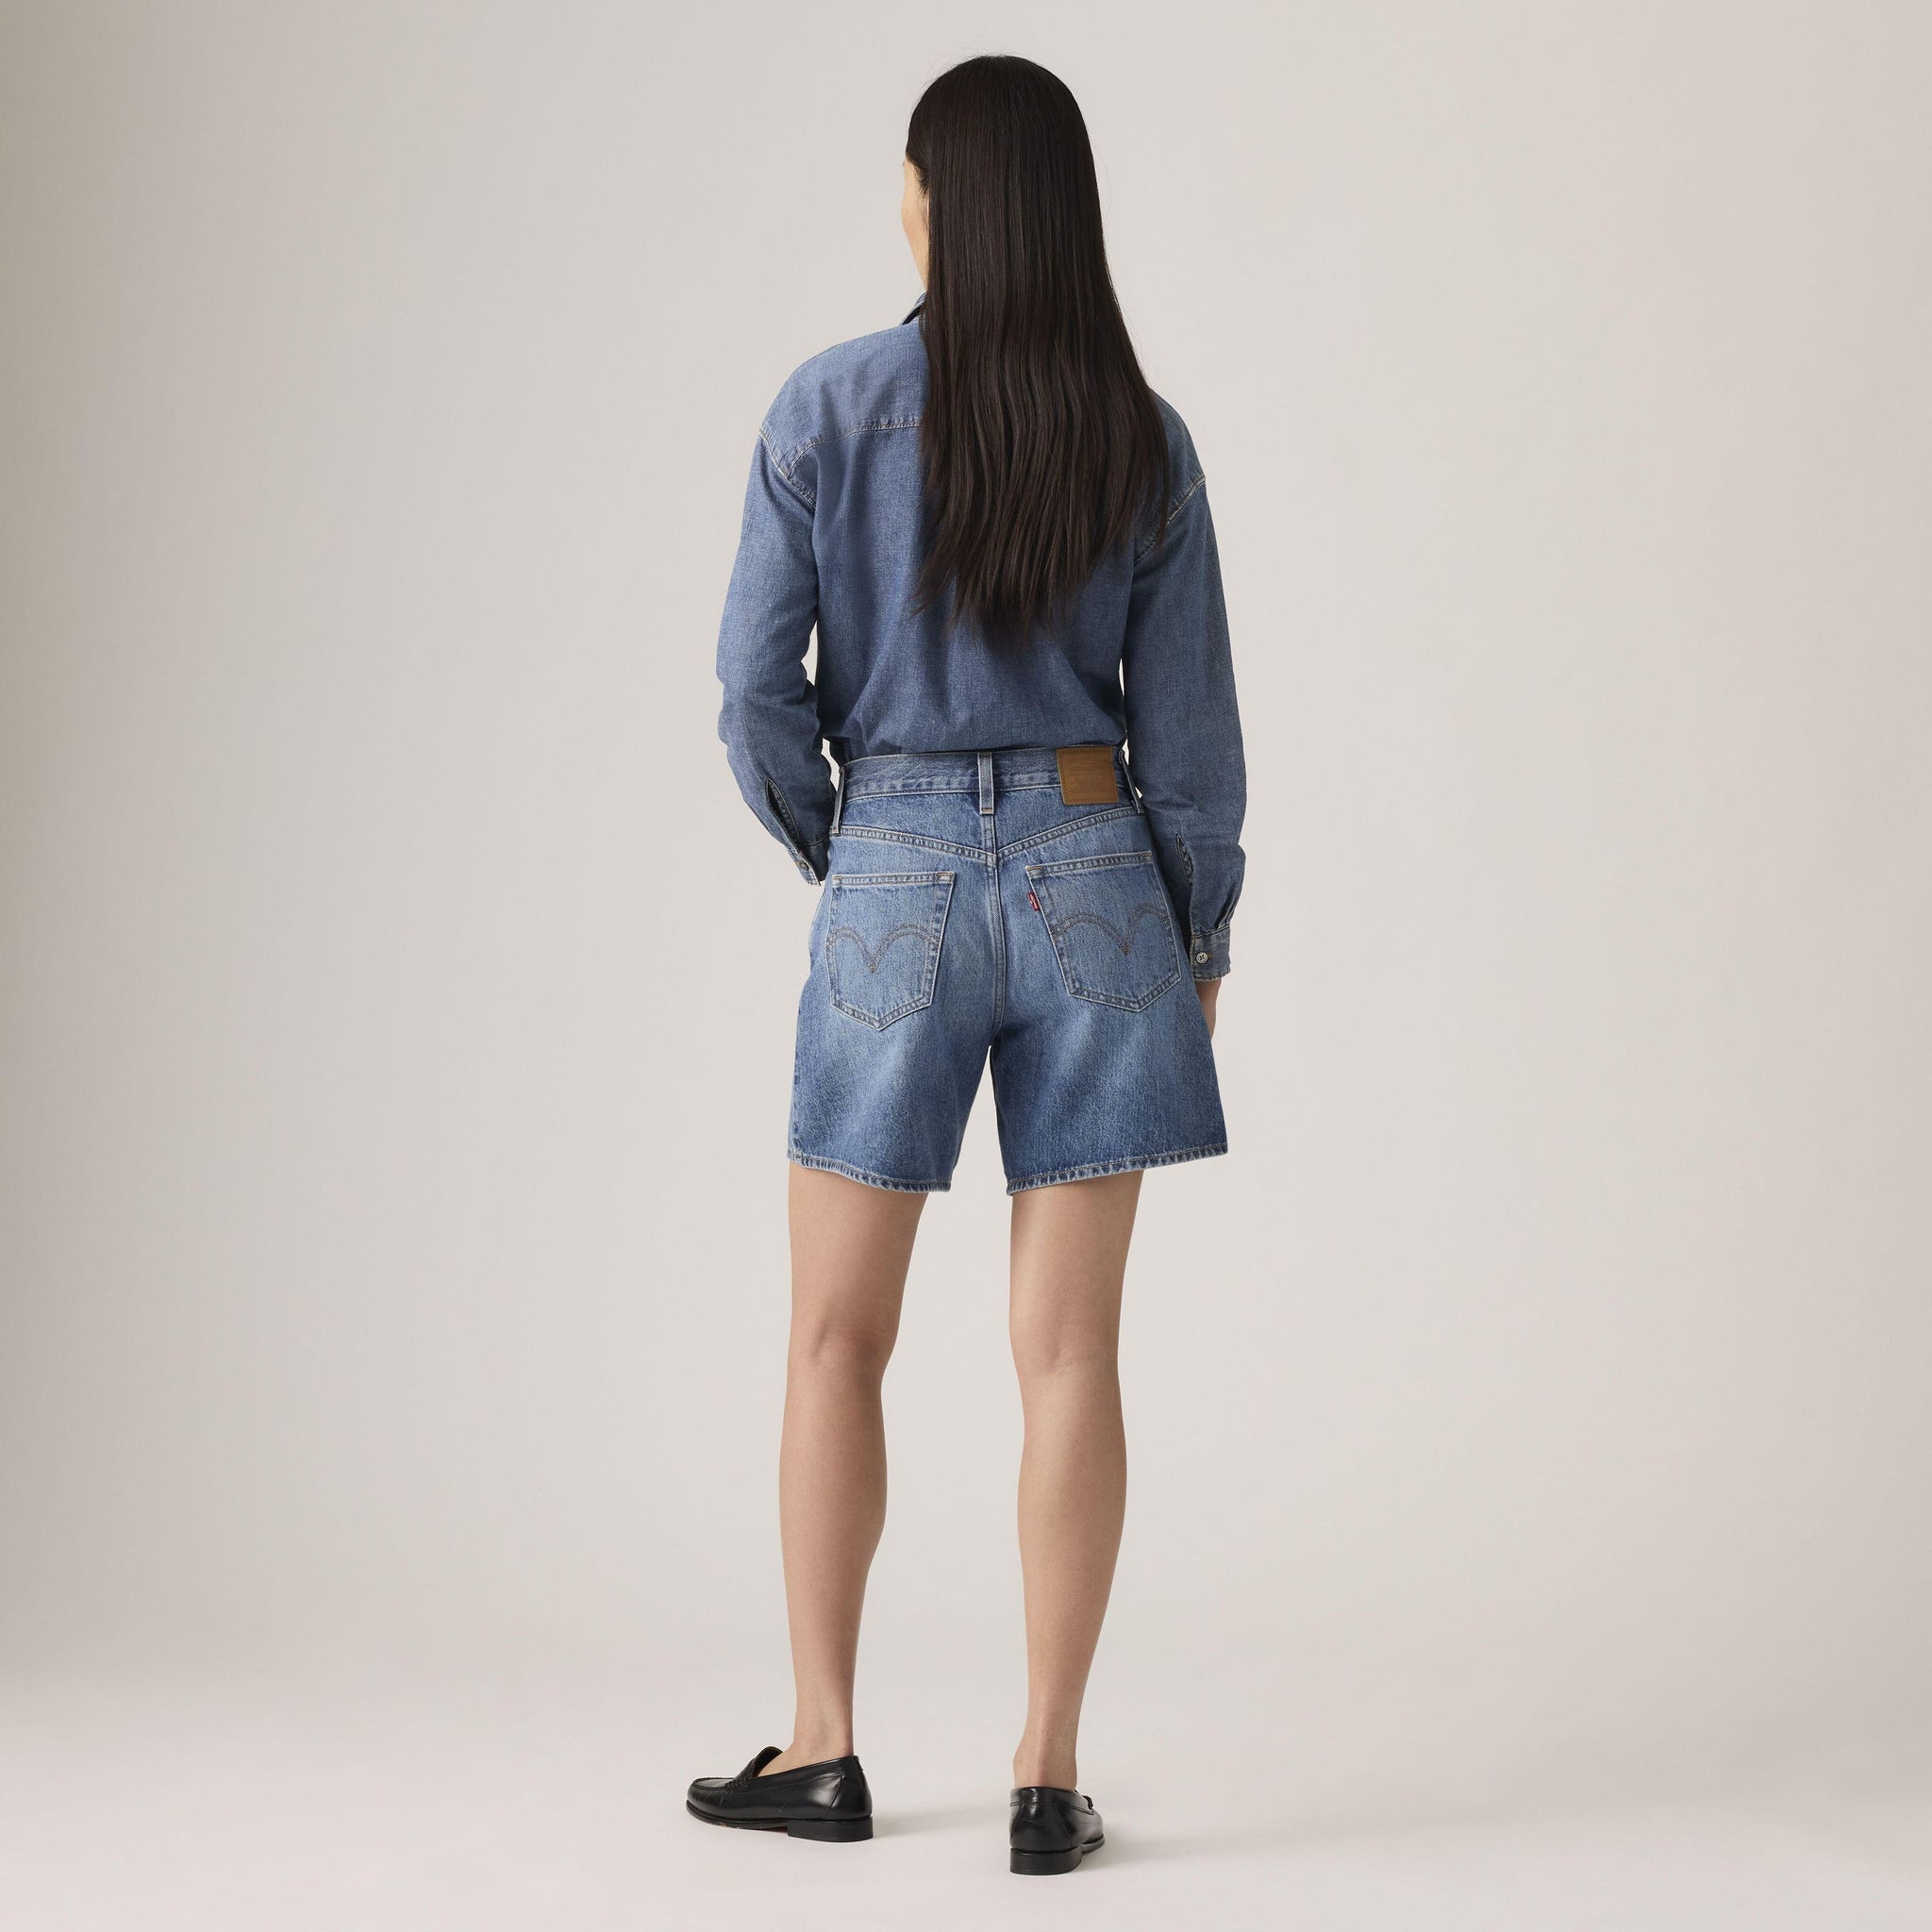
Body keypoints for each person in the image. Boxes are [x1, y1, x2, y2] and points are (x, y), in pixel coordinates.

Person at [688, 53, 1245, 1876]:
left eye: (908, 177)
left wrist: (852, 849)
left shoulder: (827, 407)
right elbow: (1193, 742)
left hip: (899, 862)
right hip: (1099, 870)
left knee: (835, 1336)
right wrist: (1197, 929)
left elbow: (753, 693)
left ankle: (824, 1747)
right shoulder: (1141, 435)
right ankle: (1044, 1774)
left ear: (935, 200)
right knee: (1070, 1352)